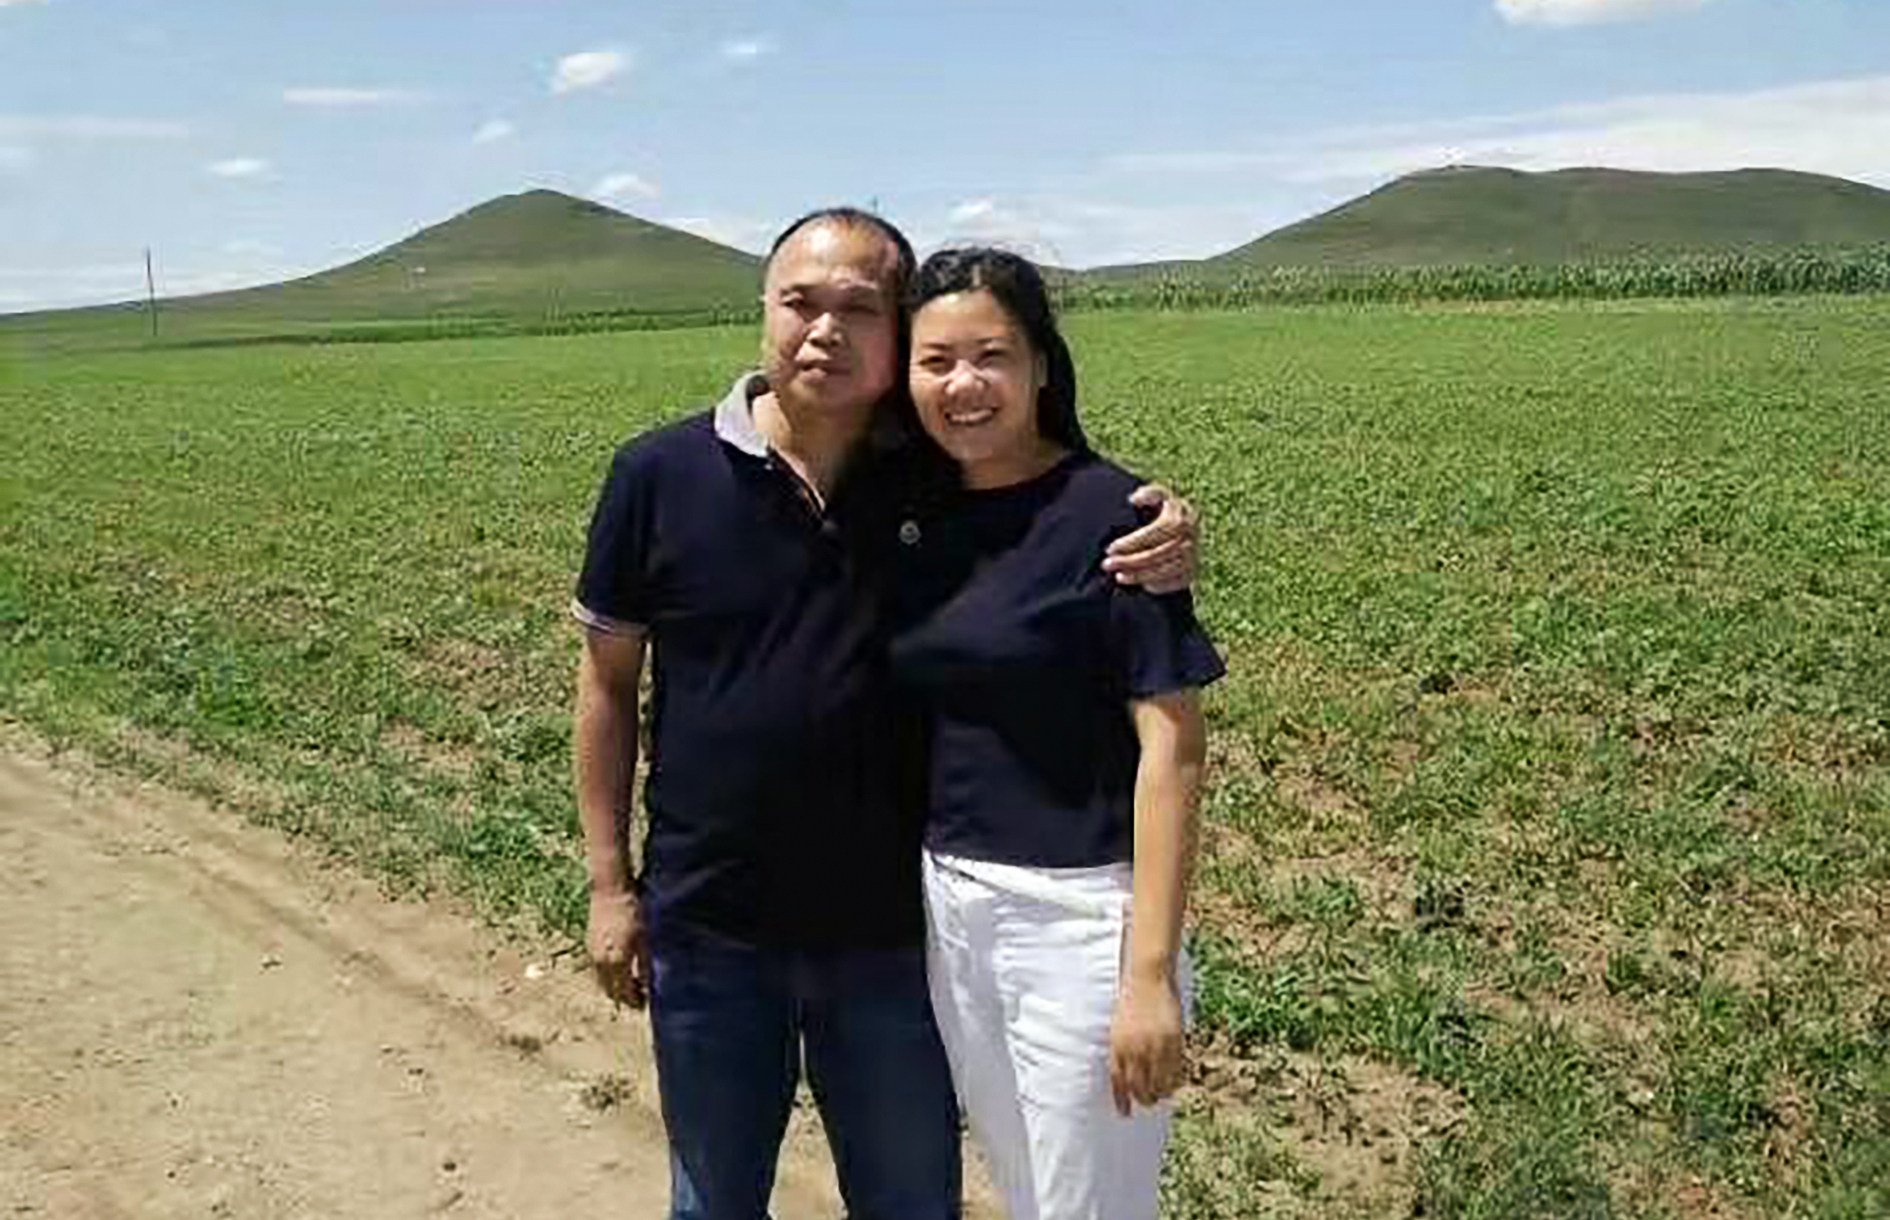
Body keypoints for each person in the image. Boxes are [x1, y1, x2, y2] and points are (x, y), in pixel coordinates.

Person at [570, 210, 1198, 1220]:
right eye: (800, 302)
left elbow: (1055, 502)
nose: (826, 328)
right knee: (712, 1196)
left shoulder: (932, 481)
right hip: (711, 923)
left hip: (893, 934)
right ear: (761, 312)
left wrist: (1161, 520)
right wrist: (610, 884)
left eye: (860, 308)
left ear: (893, 333)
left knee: (911, 1200)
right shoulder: (659, 474)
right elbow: (606, 684)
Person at [888, 247, 1224, 1220]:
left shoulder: (1111, 521)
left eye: (991, 354)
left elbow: (1173, 746)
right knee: (1030, 1187)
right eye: (935, 359)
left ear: (1041, 364)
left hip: (1081, 921)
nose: (964, 384)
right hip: (949, 904)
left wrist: (1149, 973)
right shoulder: (910, 515)